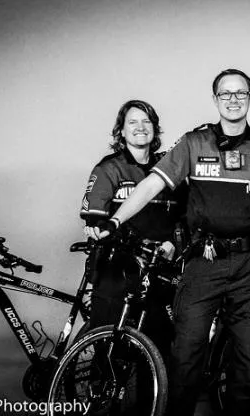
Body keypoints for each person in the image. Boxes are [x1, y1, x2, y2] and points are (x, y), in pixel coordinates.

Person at [92, 69, 250, 416]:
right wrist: (115, 219)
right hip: (204, 264)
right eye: (225, 93)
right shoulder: (193, 142)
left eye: (240, 93)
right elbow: (151, 186)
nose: (233, 99)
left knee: (248, 366)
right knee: (185, 359)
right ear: (215, 99)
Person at [80, 99, 185, 350]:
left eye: (147, 121)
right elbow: (95, 217)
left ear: (155, 129)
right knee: (108, 352)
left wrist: (174, 242)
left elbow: (185, 215)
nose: (140, 127)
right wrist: (96, 228)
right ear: (122, 131)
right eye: (133, 122)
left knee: (159, 349)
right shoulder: (109, 168)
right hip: (116, 271)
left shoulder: (169, 170)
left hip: (160, 271)